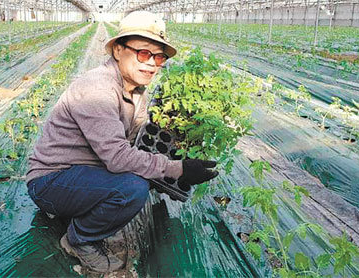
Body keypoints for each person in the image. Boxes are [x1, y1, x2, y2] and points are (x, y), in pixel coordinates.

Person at [26, 11, 218, 273]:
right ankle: (79, 240)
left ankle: (82, 209)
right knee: (132, 188)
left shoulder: (136, 91)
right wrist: (179, 168)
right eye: (143, 53)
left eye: (159, 57)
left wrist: (166, 166)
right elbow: (117, 157)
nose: (151, 63)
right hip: (50, 182)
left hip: (83, 174)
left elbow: (133, 144)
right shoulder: (98, 89)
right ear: (118, 50)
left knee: (140, 176)